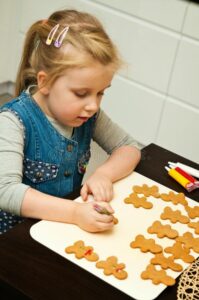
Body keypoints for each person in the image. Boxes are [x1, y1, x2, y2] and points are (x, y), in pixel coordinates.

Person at [0, 9, 141, 235]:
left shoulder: (88, 115)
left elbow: (129, 147)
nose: (93, 105)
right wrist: (75, 212)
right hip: (16, 242)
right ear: (45, 82)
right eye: (81, 93)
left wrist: (104, 174)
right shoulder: (13, 121)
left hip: (60, 232)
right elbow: (5, 192)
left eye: (100, 93)